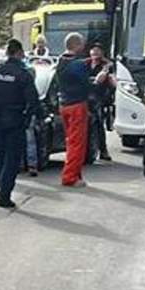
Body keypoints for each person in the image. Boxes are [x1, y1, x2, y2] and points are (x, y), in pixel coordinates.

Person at [0, 38, 43, 210]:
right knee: (12, 158)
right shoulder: (23, 75)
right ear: (19, 53)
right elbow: (33, 100)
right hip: (14, 120)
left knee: (0, 154)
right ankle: (4, 195)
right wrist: (34, 117)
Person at [55, 32, 92, 188]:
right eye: (82, 44)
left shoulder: (60, 61)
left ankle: (76, 174)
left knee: (71, 141)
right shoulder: (78, 64)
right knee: (77, 143)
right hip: (77, 105)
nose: (84, 47)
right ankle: (70, 177)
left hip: (64, 104)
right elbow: (87, 83)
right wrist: (99, 78)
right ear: (77, 45)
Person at [86, 42, 115, 164]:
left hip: (99, 97)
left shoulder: (107, 65)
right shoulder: (85, 63)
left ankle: (103, 150)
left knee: (98, 123)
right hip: (85, 95)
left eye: (98, 50)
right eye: (93, 50)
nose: (95, 53)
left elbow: (107, 80)